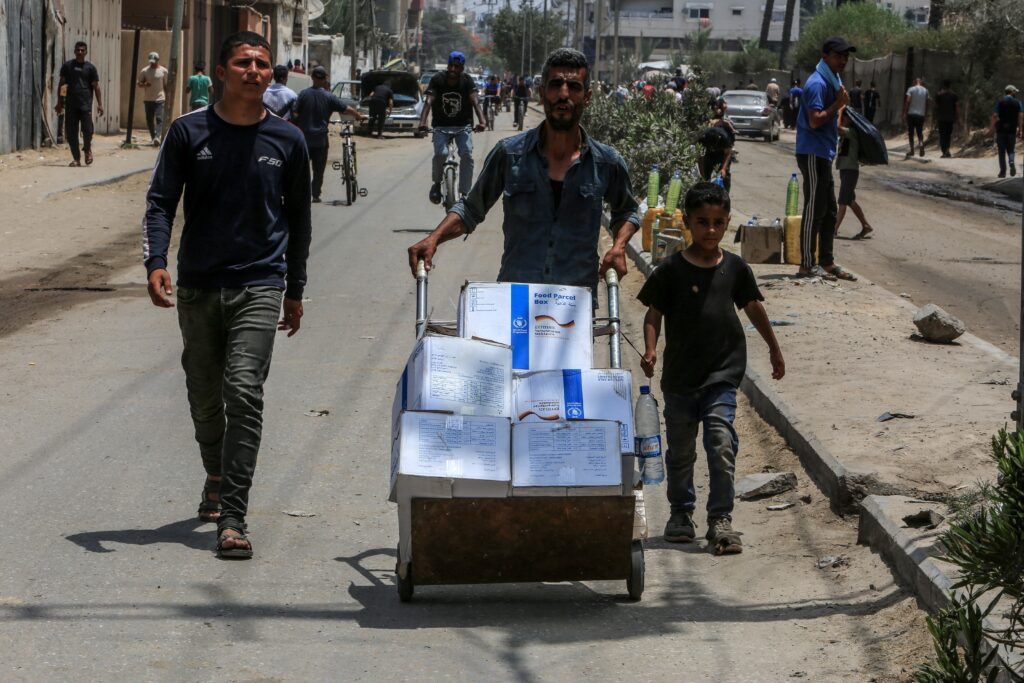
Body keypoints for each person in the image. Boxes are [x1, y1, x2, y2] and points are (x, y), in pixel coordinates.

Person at [142, 31, 312, 560]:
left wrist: (295, 288)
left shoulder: (288, 140)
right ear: (221, 71)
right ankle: (215, 472)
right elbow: (161, 202)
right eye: (244, 62)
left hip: (261, 282)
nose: (255, 71)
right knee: (202, 393)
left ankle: (233, 517)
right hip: (198, 285)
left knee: (242, 389)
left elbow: (300, 222)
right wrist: (155, 262)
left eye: (263, 63)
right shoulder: (188, 132)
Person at [407, 48, 640, 296]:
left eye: (573, 86)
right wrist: (434, 238)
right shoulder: (508, 155)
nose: (564, 94)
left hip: (574, 307)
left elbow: (626, 210)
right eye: (555, 85)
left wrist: (619, 246)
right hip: (515, 299)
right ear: (542, 93)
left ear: (587, 96)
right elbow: (471, 209)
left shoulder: (606, 163)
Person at [637, 182, 785, 554]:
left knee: (720, 444)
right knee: (682, 452)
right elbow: (653, 314)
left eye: (718, 223)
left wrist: (774, 348)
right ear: (687, 222)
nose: (711, 230)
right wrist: (651, 350)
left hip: (722, 374)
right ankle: (680, 513)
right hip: (680, 380)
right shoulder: (670, 270)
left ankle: (721, 519)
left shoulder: (735, 268)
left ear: (727, 224)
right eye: (702, 222)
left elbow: (753, 307)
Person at [795, 36, 856, 282]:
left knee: (830, 209)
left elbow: (829, 117)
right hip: (811, 151)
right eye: (838, 55)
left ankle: (827, 262)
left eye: (845, 56)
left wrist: (839, 110)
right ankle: (806, 264)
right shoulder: (818, 83)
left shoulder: (833, 81)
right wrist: (837, 105)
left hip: (824, 151)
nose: (843, 60)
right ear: (825, 56)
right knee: (814, 207)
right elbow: (815, 120)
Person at [418, 51, 487, 205]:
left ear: (462, 68)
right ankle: (436, 184)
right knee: (441, 154)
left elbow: (475, 101)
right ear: (447, 65)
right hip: (441, 126)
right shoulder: (437, 80)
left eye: (457, 67)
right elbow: (429, 101)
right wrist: (422, 122)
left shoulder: (467, 80)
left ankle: (465, 193)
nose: (453, 70)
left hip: (463, 126)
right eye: (451, 66)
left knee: (467, 154)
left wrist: (482, 121)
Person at [291, 65, 366, 202]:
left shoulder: (303, 94)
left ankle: (302, 193)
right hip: (320, 140)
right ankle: (315, 194)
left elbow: (295, 114)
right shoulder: (329, 97)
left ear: (312, 78)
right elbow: (347, 108)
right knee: (318, 170)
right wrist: (359, 116)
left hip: (304, 140)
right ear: (325, 79)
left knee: (302, 170)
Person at [56, 40, 103, 167]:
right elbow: (62, 85)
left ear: (86, 52)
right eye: (78, 50)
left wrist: (100, 104)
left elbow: (96, 87)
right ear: (75, 51)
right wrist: (59, 102)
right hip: (71, 105)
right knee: (71, 133)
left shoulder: (90, 68)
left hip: (85, 105)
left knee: (88, 130)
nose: (80, 52)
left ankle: (87, 149)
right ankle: (76, 158)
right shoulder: (68, 66)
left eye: (82, 50)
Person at [835, 110, 873, 240]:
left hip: (850, 170)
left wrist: (839, 112)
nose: (843, 119)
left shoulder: (851, 132)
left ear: (850, 120)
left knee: (842, 201)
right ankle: (866, 225)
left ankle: (834, 230)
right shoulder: (847, 133)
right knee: (849, 200)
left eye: (845, 118)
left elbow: (837, 128)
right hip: (845, 170)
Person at [990, 85, 1024, 178]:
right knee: (1011, 150)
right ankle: (1011, 161)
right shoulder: (1018, 103)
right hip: (1012, 130)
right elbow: (1020, 117)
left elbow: (995, 115)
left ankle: (1003, 172)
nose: (1015, 93)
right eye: (1015, 92)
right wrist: (1020, 130)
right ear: (1012, 92)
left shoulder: (1000, 102)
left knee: (1001, 151)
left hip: (1001, 130)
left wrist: (992, 128)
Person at [138, 51, 168, 146]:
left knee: (159, 118)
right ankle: (153, 136)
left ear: (158, 60)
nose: (152, 63)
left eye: (154, 61)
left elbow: (166, 85)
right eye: (151, 61)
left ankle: (157, 137)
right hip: (148, 99)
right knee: (149, 120)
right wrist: (144, 84)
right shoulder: (145, 71)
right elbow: (139, 83)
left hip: (160, 98)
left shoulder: (163, 71)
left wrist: (168, 96)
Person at [697, 126, 733, 192]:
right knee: (705, 176)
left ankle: (725, 193)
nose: (713, 147)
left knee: (723, 176)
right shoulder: (702, 138)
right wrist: (702, 175)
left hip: (721, 155)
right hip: (708, 155)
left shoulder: (724, 138)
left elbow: (728, 154)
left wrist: (724, 169)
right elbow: (700, 158)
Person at [903, 77, 930, 158]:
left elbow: (907, 101)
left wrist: (904, 112)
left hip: (911, 114)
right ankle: (921, 143)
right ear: (921, 82)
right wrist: (925, 114)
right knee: (919, 132)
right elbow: (927, 103)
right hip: (920, 115)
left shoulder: (910, 89)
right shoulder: (925, 90)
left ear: (914, 82)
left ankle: (912, 150)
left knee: (911, 133)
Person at [934, 80, 960, 158]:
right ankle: (947, 150)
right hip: (950, 118)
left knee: (942, 135)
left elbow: (936, 106)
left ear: (943, 86)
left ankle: (944, 151)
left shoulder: (939, 95)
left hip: (941, 118)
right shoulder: (954, 95)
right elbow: (957, 107)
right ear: (950, 86)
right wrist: (958, 117)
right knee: (948, 135)